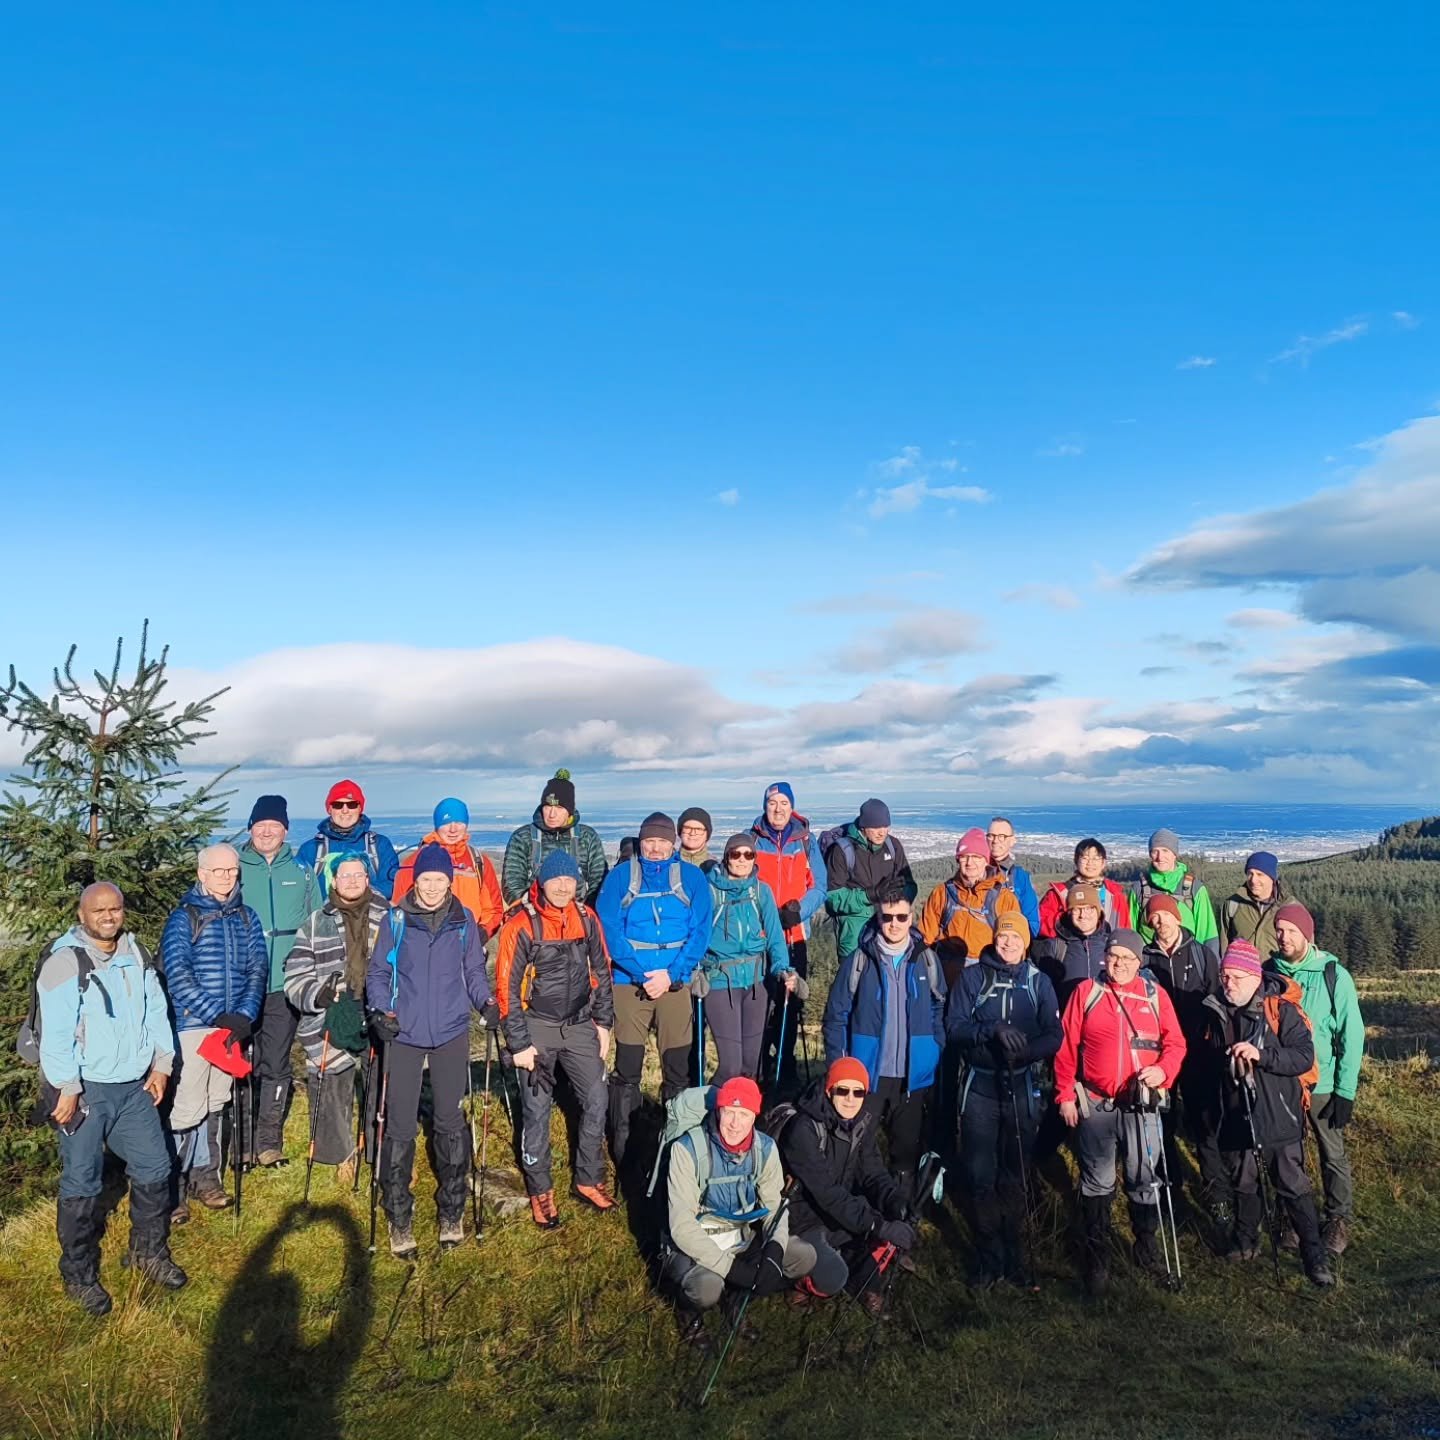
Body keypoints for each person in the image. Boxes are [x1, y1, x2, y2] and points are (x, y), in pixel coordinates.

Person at [36, 883, 185, 1315]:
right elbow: (56, 1034)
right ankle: (79, 1275)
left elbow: (157, 1012)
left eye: (115, 908)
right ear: (82, 915)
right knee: (83, 1181)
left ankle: (148, 1253)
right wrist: (66, 1086)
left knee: (156, 1167)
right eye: (98, 909)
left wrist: (162, 1064)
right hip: (85, 1089)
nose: (108, 916)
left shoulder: (136, 956)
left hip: (133, 1085)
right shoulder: (65, 963)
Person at [365, 843, 495, 1258]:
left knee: (450, 1121)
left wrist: (486, 1003)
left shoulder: (464, 921)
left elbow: (474, 971)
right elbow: (379, 972)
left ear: (449, 881)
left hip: (452, 1032)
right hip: (403, 1032)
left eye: (440, 879)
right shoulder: (396, 920)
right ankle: (398, 1216)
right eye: (426, 879)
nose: (434, 887)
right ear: (415, 880)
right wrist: (381, 1010)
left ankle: (451, 1211)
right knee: (400, 1125)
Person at [1054, 929, 1186, 1295]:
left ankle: (1145, 1248)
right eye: (1114, 957)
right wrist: (1065, 1094)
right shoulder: (1087, 992)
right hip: (1096, 1103)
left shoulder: (1154, 996)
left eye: (1128, 958)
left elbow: (1176, 1043)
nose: (1120, 964)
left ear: (1139, 961)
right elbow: (1066, 1046)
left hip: (1143, 1105)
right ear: (1105, 958)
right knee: (1097, 1181)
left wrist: (1163, 1071)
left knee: (1144, 1177)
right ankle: (1097, 1258)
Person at [1198, 940, 1334, 1286]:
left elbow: (1303, 1057)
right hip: (1235, 1115)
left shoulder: (1280, 1010)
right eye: (1225, 976)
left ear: (1255, 976)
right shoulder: (1215, 1010)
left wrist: (1262, 1056)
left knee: (1293, 1186)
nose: (1228, 983)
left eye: (1236, 976)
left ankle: (1314, 1258)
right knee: (1244, 1182)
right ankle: (1246, 1241)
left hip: (1280, 1116)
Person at [496, 850, 617, 1226]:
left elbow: (601, 970)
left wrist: (603, 1023)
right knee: (536, 1108)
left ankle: (588, 1177)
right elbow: (507, 988)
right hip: (537, 1026)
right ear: (542, 882)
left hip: (580, 1024)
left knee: (597, 1098)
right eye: (556, 880)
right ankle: (540, 1189)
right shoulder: (523, 924)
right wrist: (519, 1044)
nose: (563, 886)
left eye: (569, 880)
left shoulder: (586, 918)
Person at [662, 1076, 820, 1348]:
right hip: (691, 1248)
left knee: (804, 1257)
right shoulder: (686, 1149)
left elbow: (775, 1208)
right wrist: (732, 1269)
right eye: (729, 1112)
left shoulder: (766, 1149)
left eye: (744, 1114)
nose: (735, 1123)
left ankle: (736, 1301)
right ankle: (689, 1312)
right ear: (718, 1111)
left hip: (741, 1239)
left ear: (755, 1116)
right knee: (707, 1288)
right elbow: (681, 1228)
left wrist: (774, 1250)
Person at [946, 911, 1061, 1285]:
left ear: (1026, 941)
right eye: (1002, 936)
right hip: (980, 1085)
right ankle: (988, 1255)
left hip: (1022, 1085)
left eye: (1015, 937)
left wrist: (1027, 1054)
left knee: (1015, 1174)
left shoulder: (1038, 982)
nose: (1008, 942)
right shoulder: (973, 977)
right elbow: (954, 1028)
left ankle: (1015, 1253)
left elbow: (1053, 1034)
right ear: (993, 939)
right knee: (980, 1175)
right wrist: (990, 1030)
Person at [595, 812, 715, 1168]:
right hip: (630, 984)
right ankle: (626, 1151)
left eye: (663, 842)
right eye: (650, 842)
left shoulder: (691, 878)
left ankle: (678, 1151)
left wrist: (673, 973)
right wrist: (642, 971)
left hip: (674, 984)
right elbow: (609, 928)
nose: (657, 849)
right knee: (628, 1068)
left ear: (673, 843)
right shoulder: (621, 877)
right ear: (640, 842)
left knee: (676, 1068)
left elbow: (700, 931)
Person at [161, 844, 268, 1219]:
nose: (226, 876)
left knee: (217, 1102)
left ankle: (207, 1178)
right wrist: (218, 1015)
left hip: (231, 1028)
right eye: (218, 870)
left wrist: (244, 1014)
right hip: (194, 1026)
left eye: (231, 870)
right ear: (201, 873)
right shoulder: (183, 918)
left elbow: (258, 970)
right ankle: (173, 1188)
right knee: (187, 1106)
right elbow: (178, 976)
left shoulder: (247, 918)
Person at [821, 886, 946, 1186]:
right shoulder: (859, 960)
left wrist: (933, 1050)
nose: (894, 923)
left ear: (911, 917)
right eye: (887, 917)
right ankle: (853, 1211)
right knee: (857, 1147)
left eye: (901, 917)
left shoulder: (926, 960)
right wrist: (840, 1067)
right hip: (866, 1074)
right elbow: (836, 1015)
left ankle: (901, 1214)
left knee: (905, 1152)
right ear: (878, 918)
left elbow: (938, 1008)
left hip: (911, 1077)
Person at [284, 855, 389, 1184]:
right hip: (333, 1011)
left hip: (378, 1008)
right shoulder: (315, 923)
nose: (353, 881)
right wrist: (316, 994)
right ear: (333, 881)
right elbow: (295, 974)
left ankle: (381, 1151)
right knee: (331, 1083)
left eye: (359, 874)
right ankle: (341, 1153)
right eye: (345, 875)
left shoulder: (390, 917)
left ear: (368, 879)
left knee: (382, 1084)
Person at [1268, 902, 1365, 1256]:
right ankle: (1292, 1220)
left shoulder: (1333, 974)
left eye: (1291, 931)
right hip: (1282, 1081)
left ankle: (1337, 1221)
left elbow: (1351, 1035)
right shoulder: (1269, 973)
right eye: (1280, 930)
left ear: (1307, 935)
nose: (1284, 937)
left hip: (1322, 1084)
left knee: (1331, 1153)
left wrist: (1345, 1091)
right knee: (1284, 1155)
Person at [779, 1058, 912, 1313]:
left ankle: (864, 1283)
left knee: (882, 1235)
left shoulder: (861, 1123)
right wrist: (878, 1224)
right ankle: (798, 1281)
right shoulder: (803, 1130)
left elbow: (873, 1175)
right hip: (803, 1218)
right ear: (829, 1091)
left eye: (858, 1091)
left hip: (839, 1212)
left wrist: (896, 1203)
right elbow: (827, 1193)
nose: (850, 1099)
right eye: (842, 1090)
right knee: (833, 1278)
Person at [237, 794, 316, 1167]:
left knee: (277, 1062)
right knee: (238, 1062)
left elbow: (318, 924)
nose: (267, 831)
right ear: (251, 827)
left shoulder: (300, 871)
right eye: (260, 824)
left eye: (274, 825)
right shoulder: (234, 869)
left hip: (285, 983)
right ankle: (239, 1141)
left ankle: (268, 1141)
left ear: (285, 830)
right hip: (241, 984)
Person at [1141, 893, 1224, 1220]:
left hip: (1199, 1055)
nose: (1159, 922)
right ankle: (1170, 1192)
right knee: (1163, 1124)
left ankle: (1217, 1193)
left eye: (1164, 915)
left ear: (1178, 917)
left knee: (1204, 1125)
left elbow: (1218, 1004)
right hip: (1160, 1057)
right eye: (1153, 919)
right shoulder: (1145, 960)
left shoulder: (1203, 955)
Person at [700, 833, 797, 1083]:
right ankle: (717, 1114)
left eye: (748, 855)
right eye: (736, 854)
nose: (742, 860)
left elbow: (775, 936)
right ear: (726, 857)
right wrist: (695, 969)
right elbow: (698, 934)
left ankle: (748, 1119)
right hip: (721, 981)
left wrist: (782, 969)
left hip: (757, 982)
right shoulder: (710, 891)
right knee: (731, 1066)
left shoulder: (761, 891)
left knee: (752, 1064)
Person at [750, 781, 827, 1086]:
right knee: (760, 1005)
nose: (778, 809)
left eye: (784, 803)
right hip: (759, 938)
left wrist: (800, 910)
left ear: (792, 806)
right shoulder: (753, 841)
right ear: (764, 806)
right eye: (772, 803)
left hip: (795, 936)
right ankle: (759, 1068)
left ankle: (785, 1068)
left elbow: (820, 886)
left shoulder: (806, 841)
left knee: (790, 1006)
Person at [919, 828, 1020, 987]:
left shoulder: (1004, 898)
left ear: (986, 860)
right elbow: (925, 937)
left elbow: (1016, 942)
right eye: (964, 857)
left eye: (976, 857)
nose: (969, 862)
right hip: (948, 978)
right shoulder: (942, 894)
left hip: (988, 978)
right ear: (958, 860)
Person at [823, 798, 916, 969]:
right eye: (876, 827)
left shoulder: (893, 846)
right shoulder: (842, 851)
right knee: (854, 989)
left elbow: (910, 885)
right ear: (863, 827)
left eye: (886, 826)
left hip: (889, 932)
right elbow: (832, 898)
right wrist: (870, 895)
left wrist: (897, 899)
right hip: (855, 937)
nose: (882, 832)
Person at [393, 797, 503, 936]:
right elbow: (399, 911)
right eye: (446, 822)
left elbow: (493, 910)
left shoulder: (479, 862)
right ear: (437, 825)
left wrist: (481, 934)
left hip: (469, 945)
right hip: (424, 944)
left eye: (459, 822)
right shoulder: (414, 862)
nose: (453, 829)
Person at [501, 769, 608, 907]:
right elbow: (511, 885)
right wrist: (535, 913)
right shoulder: (523, 837)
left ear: (569, 811)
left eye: (558, 807)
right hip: (535, 917)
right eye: (547, 806)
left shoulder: (587, 837)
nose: (552, 814)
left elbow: (600, 882)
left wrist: (585, 914)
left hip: (577, 917)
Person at [296, 779, 401, 899]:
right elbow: (299, 890)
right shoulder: (311, 849)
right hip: (325, 915)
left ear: (360, 808)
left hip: (370, 915)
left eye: (351, 805)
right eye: (338, 805)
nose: (345, 810)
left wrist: (355, 898)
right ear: (329, 809)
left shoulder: (379, 845)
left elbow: (392, 884)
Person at [1130, 827, 1219, 957]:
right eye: (1155, 851)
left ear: (1175, 854)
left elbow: (1207, 933)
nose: (1160, 857)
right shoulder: (1139, 889)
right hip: (1149, 962)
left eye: (1165, 850)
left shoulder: (1194, 888)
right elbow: (1130, 931)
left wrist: (1210, 968)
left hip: (1188, 961)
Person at [1031, 882, 1115, 1009]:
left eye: (1089, 908)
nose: (1083, 915)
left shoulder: (1111, 945)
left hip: (1103, 1023)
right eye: (1077, 909)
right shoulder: (1055, 947)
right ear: (1069, 912)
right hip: (1067, 1021)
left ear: (1098, 911)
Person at [1037, 838, 1133, 938]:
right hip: (1070, 950)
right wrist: (1068, 921)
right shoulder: (1058, 894)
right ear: (1076, 860)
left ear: (1103, 863)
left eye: (1096, 858)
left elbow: (1125, 929)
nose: (1090, 863)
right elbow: (1042, 925)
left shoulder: (1115, 894)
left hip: (1107, 950)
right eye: (1085, 858)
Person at [1221, 852, 1289, 959]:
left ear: (1272, 878)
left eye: (1260, 874)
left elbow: (1302, 949)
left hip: (1278, 974)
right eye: (1250, 874)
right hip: (1242, 973)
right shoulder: (1233, 904)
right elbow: (1224, 944)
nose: (1253, 880)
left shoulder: (1289, 907)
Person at [983, 817, 1041, 936]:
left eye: (1002, 836)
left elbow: (1032, 924)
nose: (995, 841)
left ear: (1012, 840)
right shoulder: (974, 873)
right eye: (991, 835)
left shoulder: (1020, 878)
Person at [678, 807, 717, 873]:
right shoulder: (668, 864)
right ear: (680, 831)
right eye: (687, 828)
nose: (692, 833)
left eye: (699, 829)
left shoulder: (715, 868)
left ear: (707, 834)